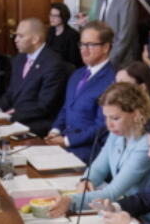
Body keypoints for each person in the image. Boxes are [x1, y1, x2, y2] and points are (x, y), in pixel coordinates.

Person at [49, 82, 150, 217]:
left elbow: (113, 192)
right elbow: (99, 167)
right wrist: (86, 180)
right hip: (117, 208)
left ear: (136, 113)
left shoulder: (148, 143)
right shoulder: (117, 133)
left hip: (142, 217)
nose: (109, 125)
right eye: (106, 117)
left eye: (115, 118)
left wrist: (71, 201)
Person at [45, 21, 117, 163]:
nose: (84, 50)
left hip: (87, 151)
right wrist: (55, 131)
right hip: (62, 144)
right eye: (82, 44)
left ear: (106, 47)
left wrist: (66, 141)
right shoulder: (77, 74)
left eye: (90, 45)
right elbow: (66, 108)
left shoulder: (112, 80)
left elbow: (102, 126)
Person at [0, 18, 68, 135]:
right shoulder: (19, 59)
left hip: (35, 121)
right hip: (14, 117)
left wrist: (14, 115)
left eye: (20, 36)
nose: (16, 40)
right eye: (16, 35)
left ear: (35, 39)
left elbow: (45, 105)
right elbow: (11, 92)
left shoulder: (53, 63)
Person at [85, 0, 137, 67]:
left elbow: (124, 37)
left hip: (120, 62)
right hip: (100, 58)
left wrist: (107, 63)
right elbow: (97, 27)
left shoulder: (125, 0)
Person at [45, 2, 82, 69]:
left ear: (63, 17)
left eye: (55, 16)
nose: (51, 18)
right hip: (50, 67)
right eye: (50, 15)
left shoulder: (73, 35)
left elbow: (73, 61)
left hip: (64, 70)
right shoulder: (51, 31)